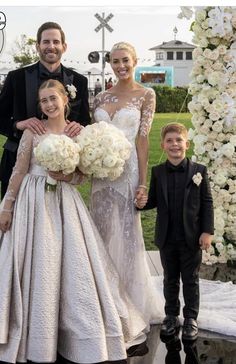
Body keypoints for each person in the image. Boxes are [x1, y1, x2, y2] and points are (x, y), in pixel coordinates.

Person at [0, 79, 147, 364]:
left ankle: (72, 334)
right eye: (43, 101)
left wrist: (70, 177)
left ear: (65, 100)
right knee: (35, 261)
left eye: (53, 98)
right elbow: (19, 171)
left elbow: (82, 175)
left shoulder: (77, 133)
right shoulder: (34, 132)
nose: (49, 105)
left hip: (65, 203)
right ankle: (31, 333)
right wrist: (7, 206)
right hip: (32, 200)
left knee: (71, 262)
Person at [91, 41, 163, 329]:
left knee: (128, 235)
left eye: (126, 61)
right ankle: (105, 299)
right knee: (101, 233)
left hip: (128, 170)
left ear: (135, 61)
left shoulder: (146, 94)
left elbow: (142, 140)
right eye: (115, 61)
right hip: (100, 175)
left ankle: (132, 300)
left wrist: (143, 183)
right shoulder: (99, 98)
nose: (121, 66)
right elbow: (92, 136)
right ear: (110, 64)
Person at [136, 122, 214, 341]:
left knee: (190, 279)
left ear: (186, 144)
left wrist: (207, 231)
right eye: (169, 141)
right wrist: (141, 202)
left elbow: (207, 203)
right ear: (162, 145)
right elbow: (153, 200)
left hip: (191, 237)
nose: (174, 144)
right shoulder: (158, 172)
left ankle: (190, 318)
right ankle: (171, 316)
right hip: (167, 236)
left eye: (178, 140)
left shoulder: (199, 171)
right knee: (170, 278)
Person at [0, 21, 91, 199]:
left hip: (60, 167)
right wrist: (19, 124)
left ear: (64, 47)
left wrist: (79, 127)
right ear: (38, 46)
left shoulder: (79, 81)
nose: (51, 46)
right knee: (12, 221)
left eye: (56, 42)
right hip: (16, 160)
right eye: (46, 42)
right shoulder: (16, 78)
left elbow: (85, 120)